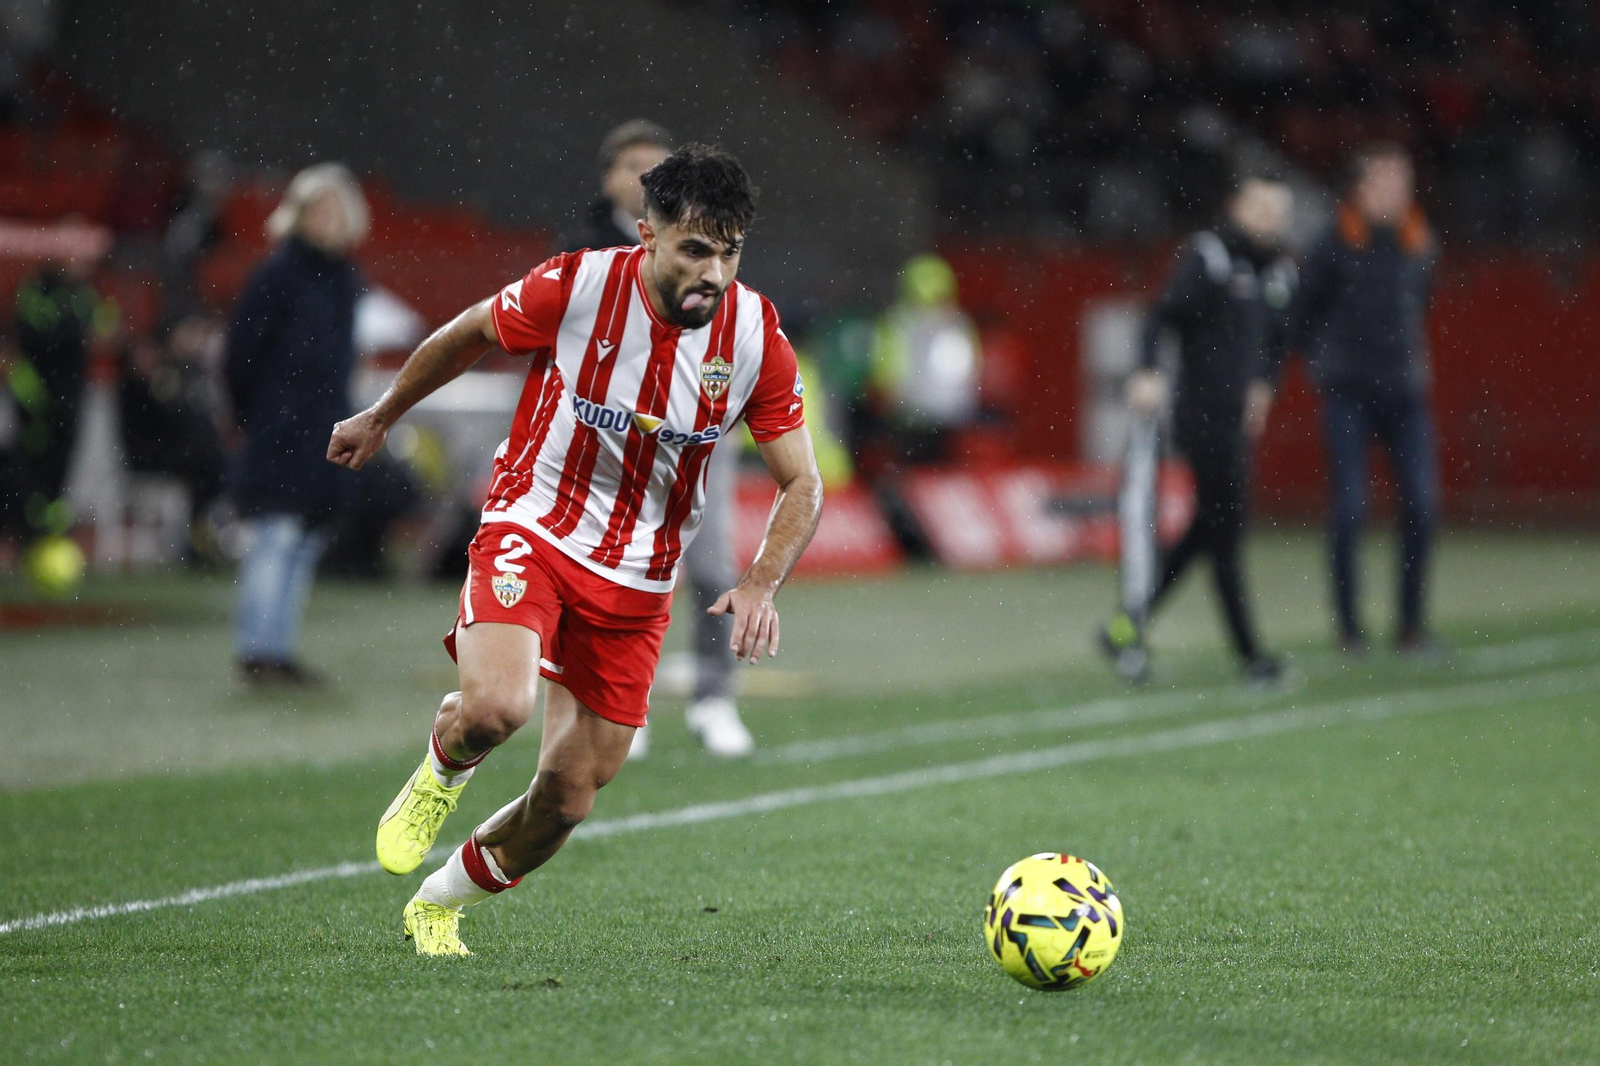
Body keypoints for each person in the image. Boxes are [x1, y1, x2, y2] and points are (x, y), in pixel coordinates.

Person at [327, 144, 822, 957]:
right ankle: (442, 770)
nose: (713, 272)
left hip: (641, 578)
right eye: (694, 249)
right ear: (647, 236)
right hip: (537, 523)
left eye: (729, 253)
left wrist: (763, 581)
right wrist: (384, 413)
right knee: (498, 708)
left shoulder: (755, 336)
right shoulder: (582, 284)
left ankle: (437, 902)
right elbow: (468, 334)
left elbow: (802, 481)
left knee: (570, 795)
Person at [562, 119, 755, 760]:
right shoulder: (580, 251)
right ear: (608, 179)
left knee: (713, 568)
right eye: (632, 165)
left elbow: (739, 329)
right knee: (613, 572)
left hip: (697, 429)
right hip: (613, 436)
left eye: (657, 164)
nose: (645, 176)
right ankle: (622, 704)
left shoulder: (709, 240)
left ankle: (714, 698)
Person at [1099, 174, 1296, 686]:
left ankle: (1125, 625)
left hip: (1235, 419)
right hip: (1202, 415)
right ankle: (1251, 656)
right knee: (1224, 536)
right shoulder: (1209, 257)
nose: (1270, 220)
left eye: (1278, 211)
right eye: (1261, 209)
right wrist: (1147, 370)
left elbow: (1277, 340)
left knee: (1206, 533)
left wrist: (1264, 385)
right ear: (1236, 207)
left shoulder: (1277, 268)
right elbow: (1159, 316)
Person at [1284, 144, 1440, 656]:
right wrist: (1321, 363)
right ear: (1363, 186)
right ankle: (1349, 629)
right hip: (1347, 391)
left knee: (1422, 505)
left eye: (1404, 181)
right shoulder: (1333, 241)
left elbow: (1422, 299)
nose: (1399, 191)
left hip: (1404, 392)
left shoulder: (1418, 239)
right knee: (1350, 510)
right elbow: (1303, 309)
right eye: (1389, 181)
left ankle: (1411, 626)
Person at [224, 163, 368, 685]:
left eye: (334, 210)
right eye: (317, 209)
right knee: (276, 536)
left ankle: (275, 650)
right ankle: (258, 651)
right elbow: (240, 358)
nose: (327, 220)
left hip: (321, 430)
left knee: (301, 540)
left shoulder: (346, 280)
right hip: (281, 432)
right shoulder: (276, 275)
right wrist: (262, 418)